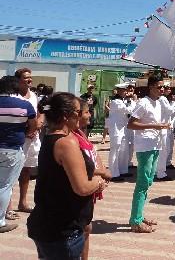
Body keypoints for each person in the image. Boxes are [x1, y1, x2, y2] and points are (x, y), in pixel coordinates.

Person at [27, 93, 108, 259]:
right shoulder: (66, 143)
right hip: (62, 229)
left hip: (47, 223)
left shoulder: (52, 137)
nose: (81, 116)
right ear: (65, 116)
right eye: (77, 112)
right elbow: (82, 187)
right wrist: (99, 182)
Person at [127, 75, 170, 233]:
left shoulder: (158, 102)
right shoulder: (143, 102)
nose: (163, 89)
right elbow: (131, 124)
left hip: (154, 145)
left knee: (148, 181)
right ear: (151, 87)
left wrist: (159, 127)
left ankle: (139, 214)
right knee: (142, 183)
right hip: (144, 146)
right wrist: (155, 126)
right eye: (160, 87)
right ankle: (135, 220)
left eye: (163, 87)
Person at [73, 99, 111, 260]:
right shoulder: (70, 138)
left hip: (91, 185)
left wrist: (101, 172)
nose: (90, 115)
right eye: (87, 112)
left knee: (86, 227)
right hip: (82, 186)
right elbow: (80, 166)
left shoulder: (81, 133)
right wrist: (100, 175)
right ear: (77, 114)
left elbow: (93, 153)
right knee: (83, 227)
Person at [0, 76, 37, 233]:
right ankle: (0, 221)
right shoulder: (24, 105)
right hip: (12, 150)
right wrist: (27, 134)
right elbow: (33, 125)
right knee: (5, 186)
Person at [14, 68, 39, 214]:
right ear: (18, 80)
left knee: (26, 170)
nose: (30, 79)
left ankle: (22, 203)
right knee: (11, 172)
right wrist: (27, 130)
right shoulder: (14, 96)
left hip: (32, 139)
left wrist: (39, 122)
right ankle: (7, 207)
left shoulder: (34, 95)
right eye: (26, 77)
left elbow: (38, 113)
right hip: (18, 138)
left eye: (30, 77)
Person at [107, 83, 133, 182]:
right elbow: (127, 110)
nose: (125, 92)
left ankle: (122, 170)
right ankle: (113, 173)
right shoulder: (116, 101)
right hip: (116, 129)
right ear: (118, 91)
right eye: (123, 90)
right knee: (115, 150)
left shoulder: (122, 101)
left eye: (126, 90)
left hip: (122, 128)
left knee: (123, 150)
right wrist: (132, 101)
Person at [155, 82, 175, 181]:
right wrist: (174, 103)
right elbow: (170, 111)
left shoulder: (162, 98)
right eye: (166, 88)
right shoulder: (163, 99)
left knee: (164, 150)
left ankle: (159, 171)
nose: (168, 90)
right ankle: (160, 173)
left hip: (164, 127)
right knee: (163, 151)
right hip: (163, 128)